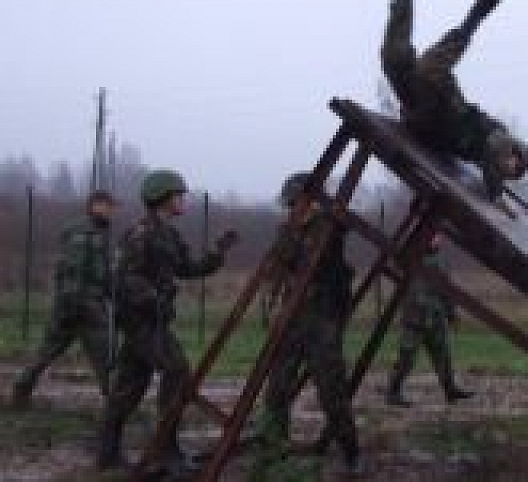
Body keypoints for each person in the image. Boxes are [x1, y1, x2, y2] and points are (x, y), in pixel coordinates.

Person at [98, 169, 238, 474]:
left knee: (130, 386)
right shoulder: (140, 233)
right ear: (162, 198)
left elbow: (187, 268)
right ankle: (166, 450)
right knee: (177, 372)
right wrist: (150, 296)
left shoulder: (168, 234)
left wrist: (218, 252)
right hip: (142, 322)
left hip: (152, 320)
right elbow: (123, 278)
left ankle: (107, 454)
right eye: (178, 194)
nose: (183, 199)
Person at [380, 0, 528, 199]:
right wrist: (496, 188)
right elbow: (496, 155)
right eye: (514, 163)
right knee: (429, 69)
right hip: (444, 103)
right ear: (514, 151)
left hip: (419, 111)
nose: (510, 166)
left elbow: (493, 173)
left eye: (513, 172)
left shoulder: (492, 163)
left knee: (394, 56)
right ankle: (478, 12)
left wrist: (497, 193)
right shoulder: (499, 140)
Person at [256, 172, 362, 475]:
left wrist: (327, 209)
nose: (292, 209)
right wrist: (273, 293)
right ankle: (275, 446)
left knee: (331, 389)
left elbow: (345, 224)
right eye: (290, 205)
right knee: (277, 387)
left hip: (322, 319)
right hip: (292, 317)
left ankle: (350, 451)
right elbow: (276, 267)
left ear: (312, 201)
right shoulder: (287, 231)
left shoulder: (330, 226)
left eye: (297, 203)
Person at [12, 190, 117, 406]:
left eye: (112, 206)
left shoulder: (94, 232)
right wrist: (84, 302)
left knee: (47, 352)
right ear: (94, 205)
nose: (111, 210)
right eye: (108, 205)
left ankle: (21, 391)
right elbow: (80, 271)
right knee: (104, 357)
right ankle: (115, 407)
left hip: (74, 305)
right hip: (84, 306)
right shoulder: (86, 234)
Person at [386, 233, 473, 406]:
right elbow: (396, 263)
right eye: (434, 237)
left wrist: (452, 314)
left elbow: (447, 291)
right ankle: (393, 392)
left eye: (439, 238)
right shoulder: (411, 259)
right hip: (415, 317)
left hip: (436, 317)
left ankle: (450, 390)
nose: (437, 241)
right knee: (406, 358)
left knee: (443, 356)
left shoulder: (441, 262)